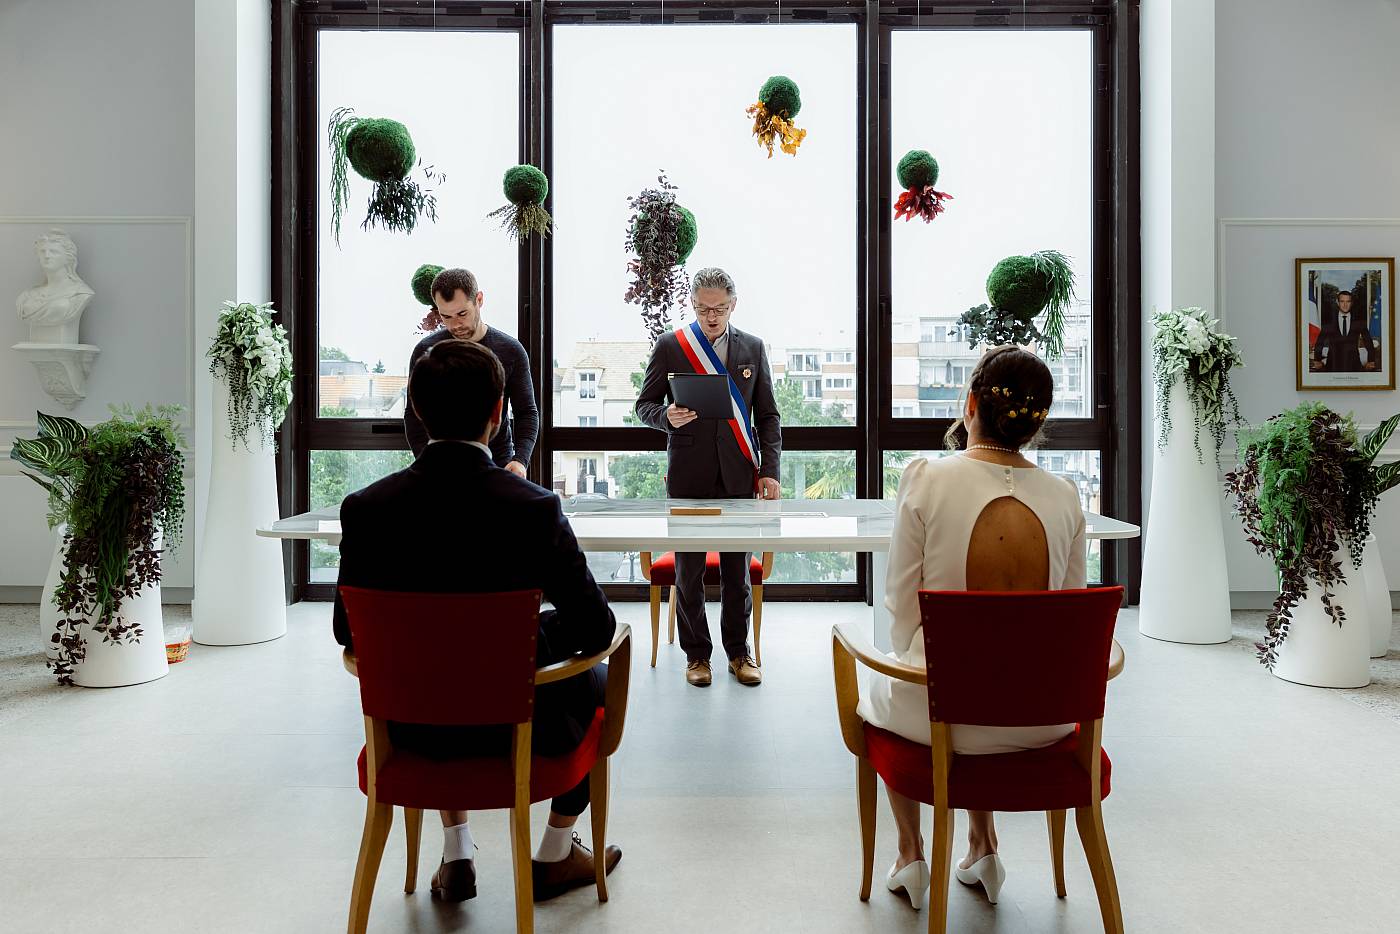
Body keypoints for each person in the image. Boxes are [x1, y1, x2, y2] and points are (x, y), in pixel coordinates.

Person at [334, 339, 622, 904]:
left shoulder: (367, 509)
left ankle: (458, 849)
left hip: (409, 731)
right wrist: (531, 636)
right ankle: (555, 852)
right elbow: (595, 630)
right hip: (522, 732)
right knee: (601, 678)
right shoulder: (533, 507)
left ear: (416, 409)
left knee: (437, 669)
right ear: (498, 414)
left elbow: (349, 633)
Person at [856, 345, 1086, 912]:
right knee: (992, 665)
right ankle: (983, 845)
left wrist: (919, 649)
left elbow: (901, 605)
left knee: (890, 684)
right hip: (1042, 720)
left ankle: (911, 853)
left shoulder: (927, 478)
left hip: (939, 719)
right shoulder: (1064, 497)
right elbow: (1072, 614)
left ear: (971, 402)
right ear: (1037, 424)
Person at [635, 267, 781, 688]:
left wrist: (769, 470)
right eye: (702, 308)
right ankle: (697, 656)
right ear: (692, 304)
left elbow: (768, 416)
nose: (711, 316)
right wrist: (667, 416)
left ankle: (739, 652)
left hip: (739, 475)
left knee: (737, 574)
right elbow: (643, 406)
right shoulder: (672, 346)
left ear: (733, 304)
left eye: (719, 308)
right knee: (689, 573)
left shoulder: (752, 347)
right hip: (688, 475)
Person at [404, 268, 539, 476]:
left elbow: (526, 412)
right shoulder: (426, 352)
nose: (455, 325)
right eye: (446, 316)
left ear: (479, 300)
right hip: (440, 468)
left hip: (499, 466)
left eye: (462, 314)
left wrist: (520, 460)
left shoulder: (511, 351)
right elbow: (413, 417)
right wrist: (427, 464)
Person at [16, 229, 94, 345]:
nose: (47, 256)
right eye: (43, 251)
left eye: (54, 251)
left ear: (68, 258)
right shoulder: (26, 296)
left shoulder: (80, 293)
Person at [1311, 290, 1380, 372]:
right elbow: (1320, 342)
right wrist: (1317, 360)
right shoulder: (1329, 321)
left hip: (1354, 366)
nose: (1345, 305)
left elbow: (1368, 341)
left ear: (1351, 303)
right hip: (1332, 365)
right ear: (1337, 302)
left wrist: (1371, 361)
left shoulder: (1359, 321)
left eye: (1348, 301)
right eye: (1342, 301)